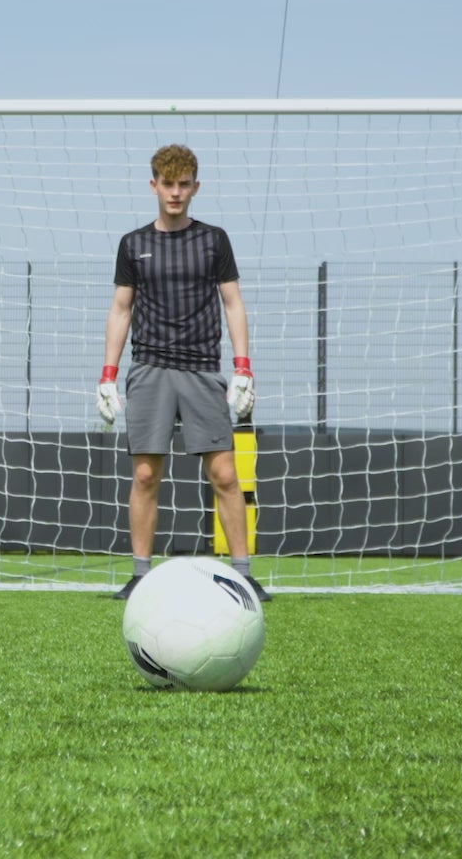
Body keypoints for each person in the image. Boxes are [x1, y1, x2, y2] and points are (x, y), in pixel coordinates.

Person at [98, 143, 267, 601]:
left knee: (226, 474)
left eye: (183, 184)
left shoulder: (214, 240)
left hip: (201, 371)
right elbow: (120, 309)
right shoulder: (133, 244)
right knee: (146, 476)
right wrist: (107, 376)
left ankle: (244, 574)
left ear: (196, 187)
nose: (175, 192)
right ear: (153, 185)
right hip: (150, 368)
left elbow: (233, 303)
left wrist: (243, 368)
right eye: (167, 184)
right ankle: (138, 575)